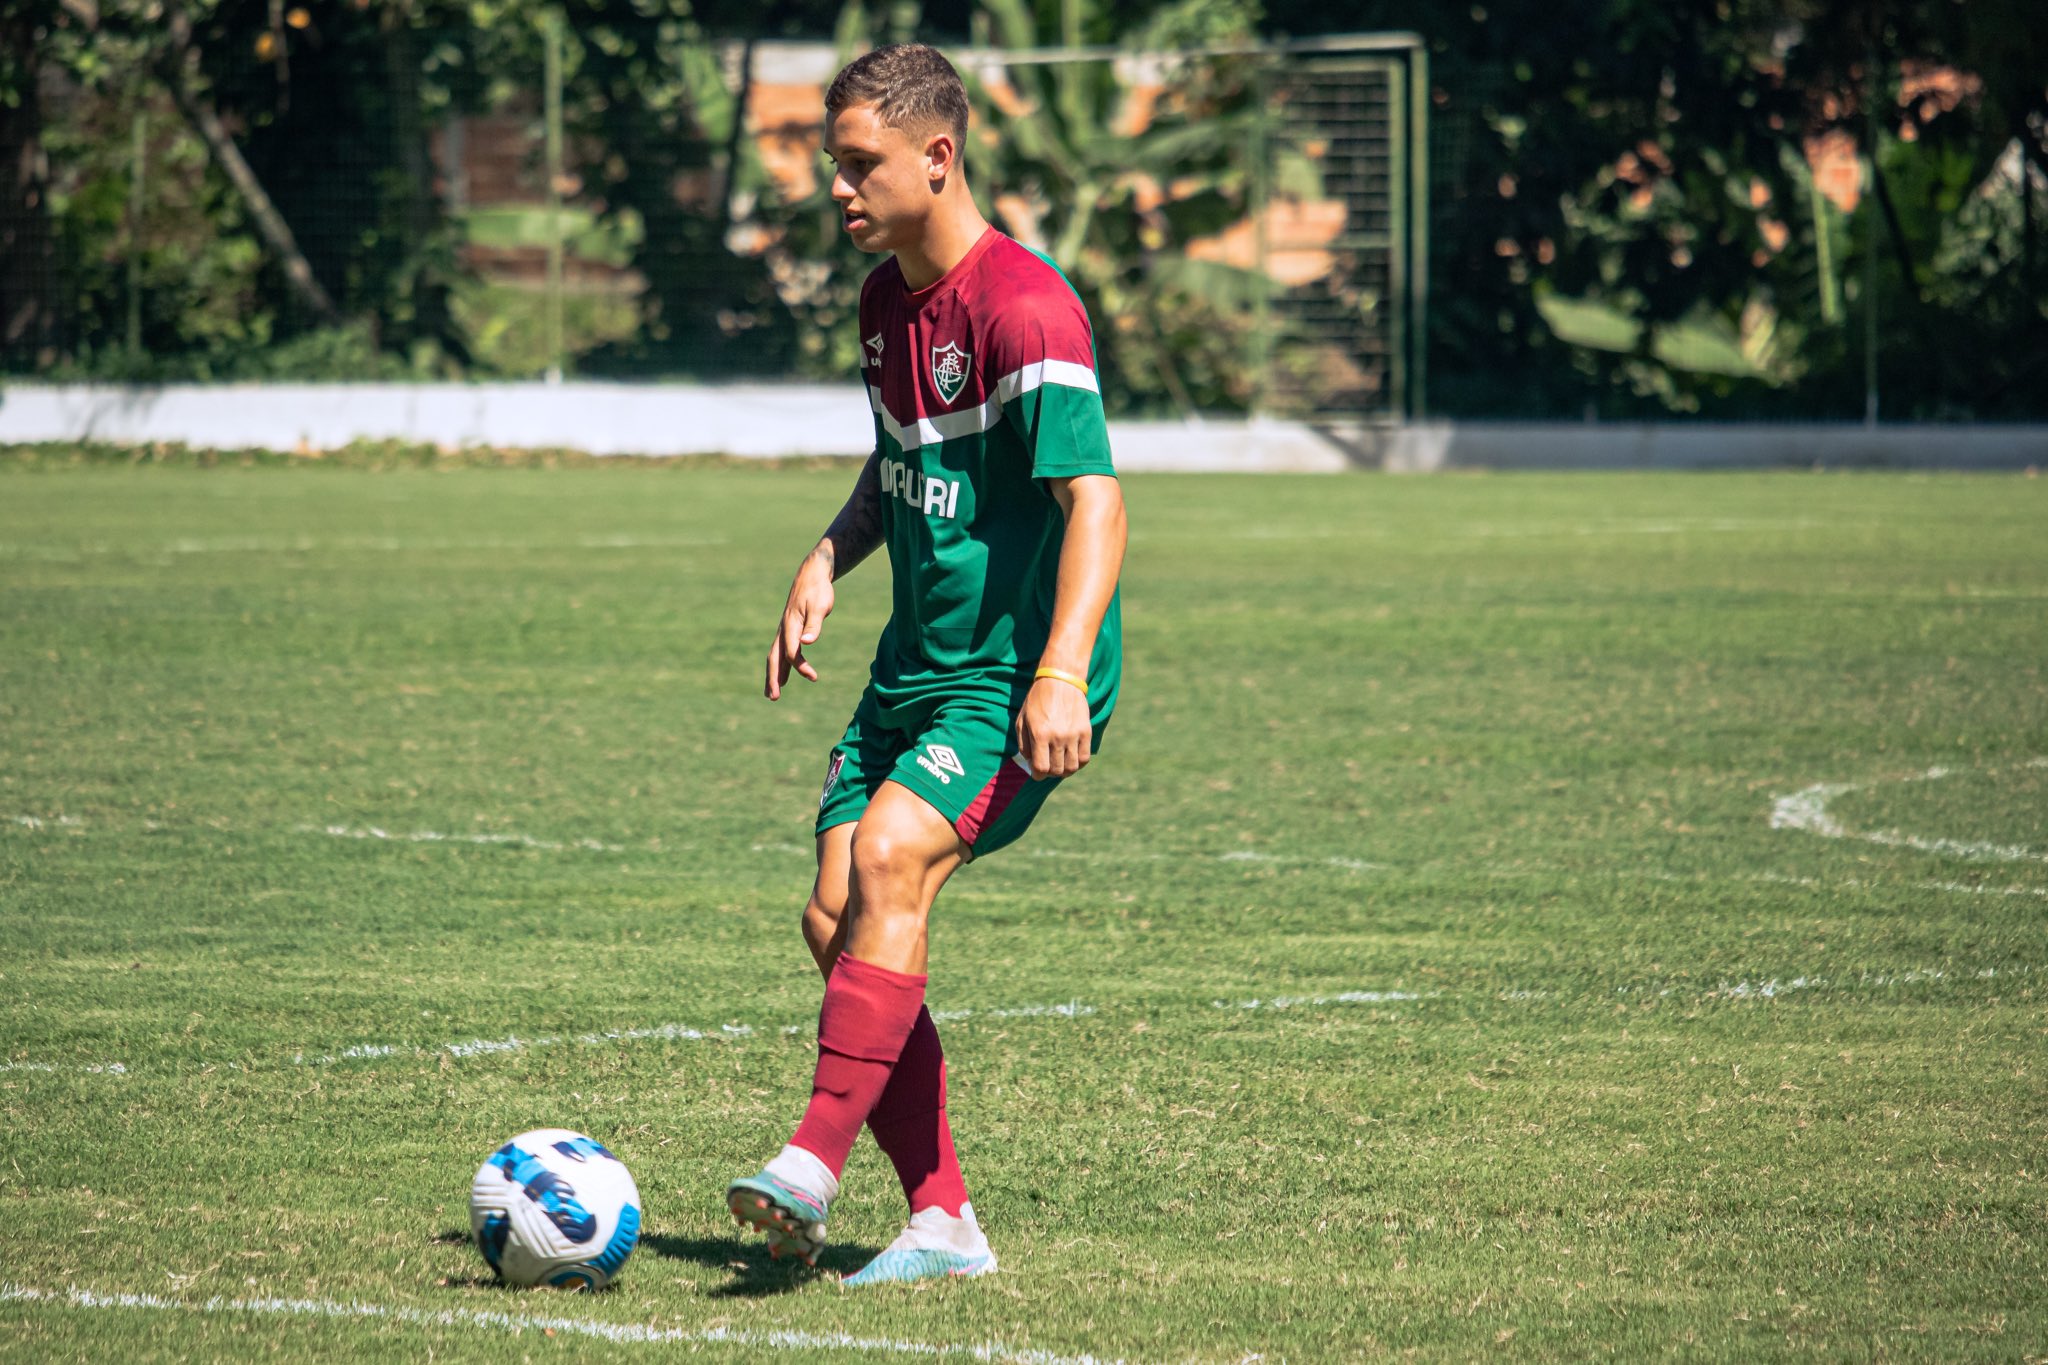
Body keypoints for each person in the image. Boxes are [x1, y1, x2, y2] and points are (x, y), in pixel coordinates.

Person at [724, 42, 1126, 1286]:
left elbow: (1096, 505)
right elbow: (898, 462)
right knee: (835, 913)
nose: (837, 191)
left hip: (1011, 680)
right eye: (832, 168)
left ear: (937, 157)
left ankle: (809, 1160)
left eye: (858, 166)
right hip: (913, 666)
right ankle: (942, 1219)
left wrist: (1060, 672)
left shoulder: (1024, 309)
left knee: (894, 856)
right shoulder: (883, 300)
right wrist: (828, 558)